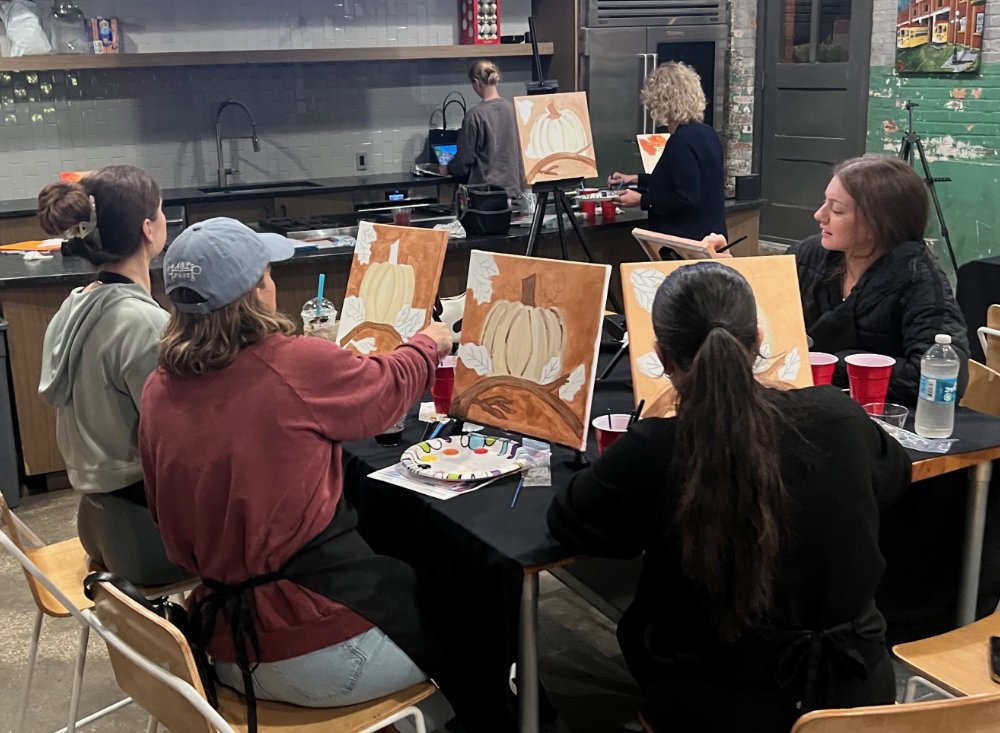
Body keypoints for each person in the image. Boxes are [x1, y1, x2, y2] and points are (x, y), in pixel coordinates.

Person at [548, 262, 910, 732]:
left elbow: (568, 521)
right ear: (758, 339)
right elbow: (895, 477)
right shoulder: (837, 415)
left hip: (719, 704)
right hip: (859, 694)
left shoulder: (657, 446)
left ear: (660, 354)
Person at [138, 218, 454, 723]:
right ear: (257, 289)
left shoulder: (160, 385)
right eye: (266, 273)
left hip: (220, 647)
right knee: (476, 621)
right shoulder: (292, 363)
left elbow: (162, 510)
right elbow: (387, 389)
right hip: (315, 653)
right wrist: (428, 344)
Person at [36, 165, 187, 586]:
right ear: (147, 228)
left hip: (98, 524)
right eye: (161, 212)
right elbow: (177, 441)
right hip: (148, 536)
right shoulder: (142, 323)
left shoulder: (74, 307)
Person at [790, 155, 969, 405]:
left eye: (837, 209)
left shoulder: (919, 281)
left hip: (883, 421)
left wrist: (840, 364)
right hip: (807, 403)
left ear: (876, 223)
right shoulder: (810, 255)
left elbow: (938, 377)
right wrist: (734, 272)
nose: (820, 215)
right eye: (824, 202)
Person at [608, 61, 727, 242]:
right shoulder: (707, 133)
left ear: (661, 100)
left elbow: (686, 198)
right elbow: (681, 180)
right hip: (712, 235)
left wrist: (642, 200)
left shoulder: (681, 142)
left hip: (687, 242)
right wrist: (635, 179)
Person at [446, 59, 524, 198]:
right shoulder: (513, 110)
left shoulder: (474, 115)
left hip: (485, 197)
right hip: (513, 192)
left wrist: (448, 168)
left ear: (476, 82)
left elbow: (464, 160)